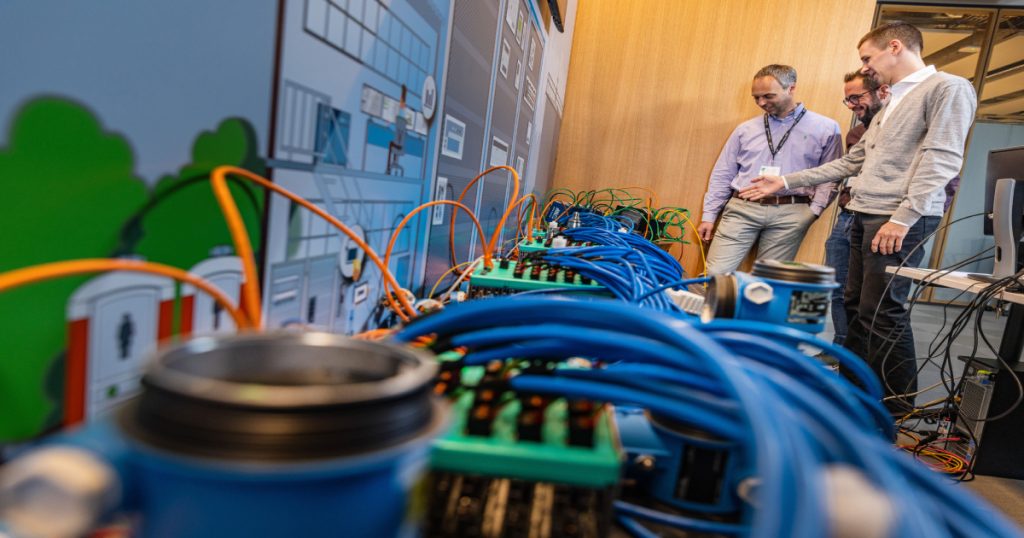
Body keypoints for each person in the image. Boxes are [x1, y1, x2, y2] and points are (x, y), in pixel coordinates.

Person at [741, 22, 977, 411]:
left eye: (868, 58)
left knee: (883, 313)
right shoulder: (896, 98)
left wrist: (903, 218)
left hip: (896, 218)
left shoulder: (947, 88)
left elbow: (942, 158)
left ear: (895, 47)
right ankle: (852, 395)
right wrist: (785, 181)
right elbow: (854, 160)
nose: (865, 67)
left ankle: (896, 408)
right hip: (864, 212)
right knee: (854, 308)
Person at [698, 64, 842, 276]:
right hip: (742, 208)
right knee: (715, 274)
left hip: (791, 212)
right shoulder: (745, 129)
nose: (761, 103)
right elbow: (723, 173)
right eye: (756, 98)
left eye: (768, 96)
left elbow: (832, 174)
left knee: (767, 281)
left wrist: (814, 211)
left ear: (791, 88)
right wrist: (709, 215)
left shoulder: (826, 128)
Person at [825, 71, 889, 346]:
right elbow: (846, 171)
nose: (851, 105)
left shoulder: (903, 130)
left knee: (875, 299)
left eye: (855, 97)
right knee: (840, 289)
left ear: (882, 92)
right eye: (847, 100)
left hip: (881, 219)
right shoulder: (857, 134)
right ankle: (842, 348)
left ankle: (865, 357)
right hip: (849, 216)